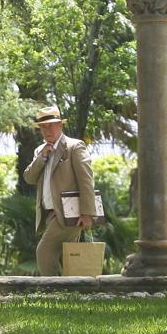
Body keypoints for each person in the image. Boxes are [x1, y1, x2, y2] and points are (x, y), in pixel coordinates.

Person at [22, 105, 97, 276]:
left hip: (70, 213)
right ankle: (74, 295)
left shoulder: (74, 147)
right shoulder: (39, 151)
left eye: (51, 124)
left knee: (44, 251)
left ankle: (53, 292)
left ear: (60, 125)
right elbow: (29, 178)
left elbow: (86, 180)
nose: (47, 129)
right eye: (43, 126)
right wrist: (42, 157)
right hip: (48, 213)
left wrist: (87, 213)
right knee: (68, 258)